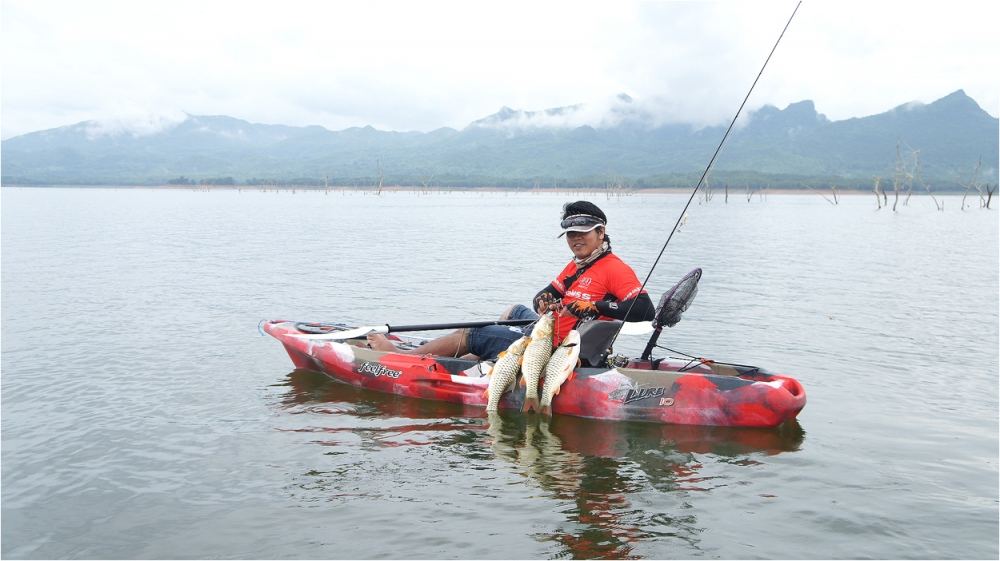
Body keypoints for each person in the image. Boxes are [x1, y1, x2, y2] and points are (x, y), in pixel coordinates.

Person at [367, 200, 656, 361]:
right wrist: (542, 301)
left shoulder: (614, 268)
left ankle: (403, 358)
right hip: (544, 329)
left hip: (549, 348)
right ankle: (484, 358)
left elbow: (645, 310)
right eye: (571, 234)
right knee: (512, 310)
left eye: (583, 233)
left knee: (473, 331)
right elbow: (547, 293)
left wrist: (595, 307)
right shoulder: (578, 265)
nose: (576, 239)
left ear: (601, 233)